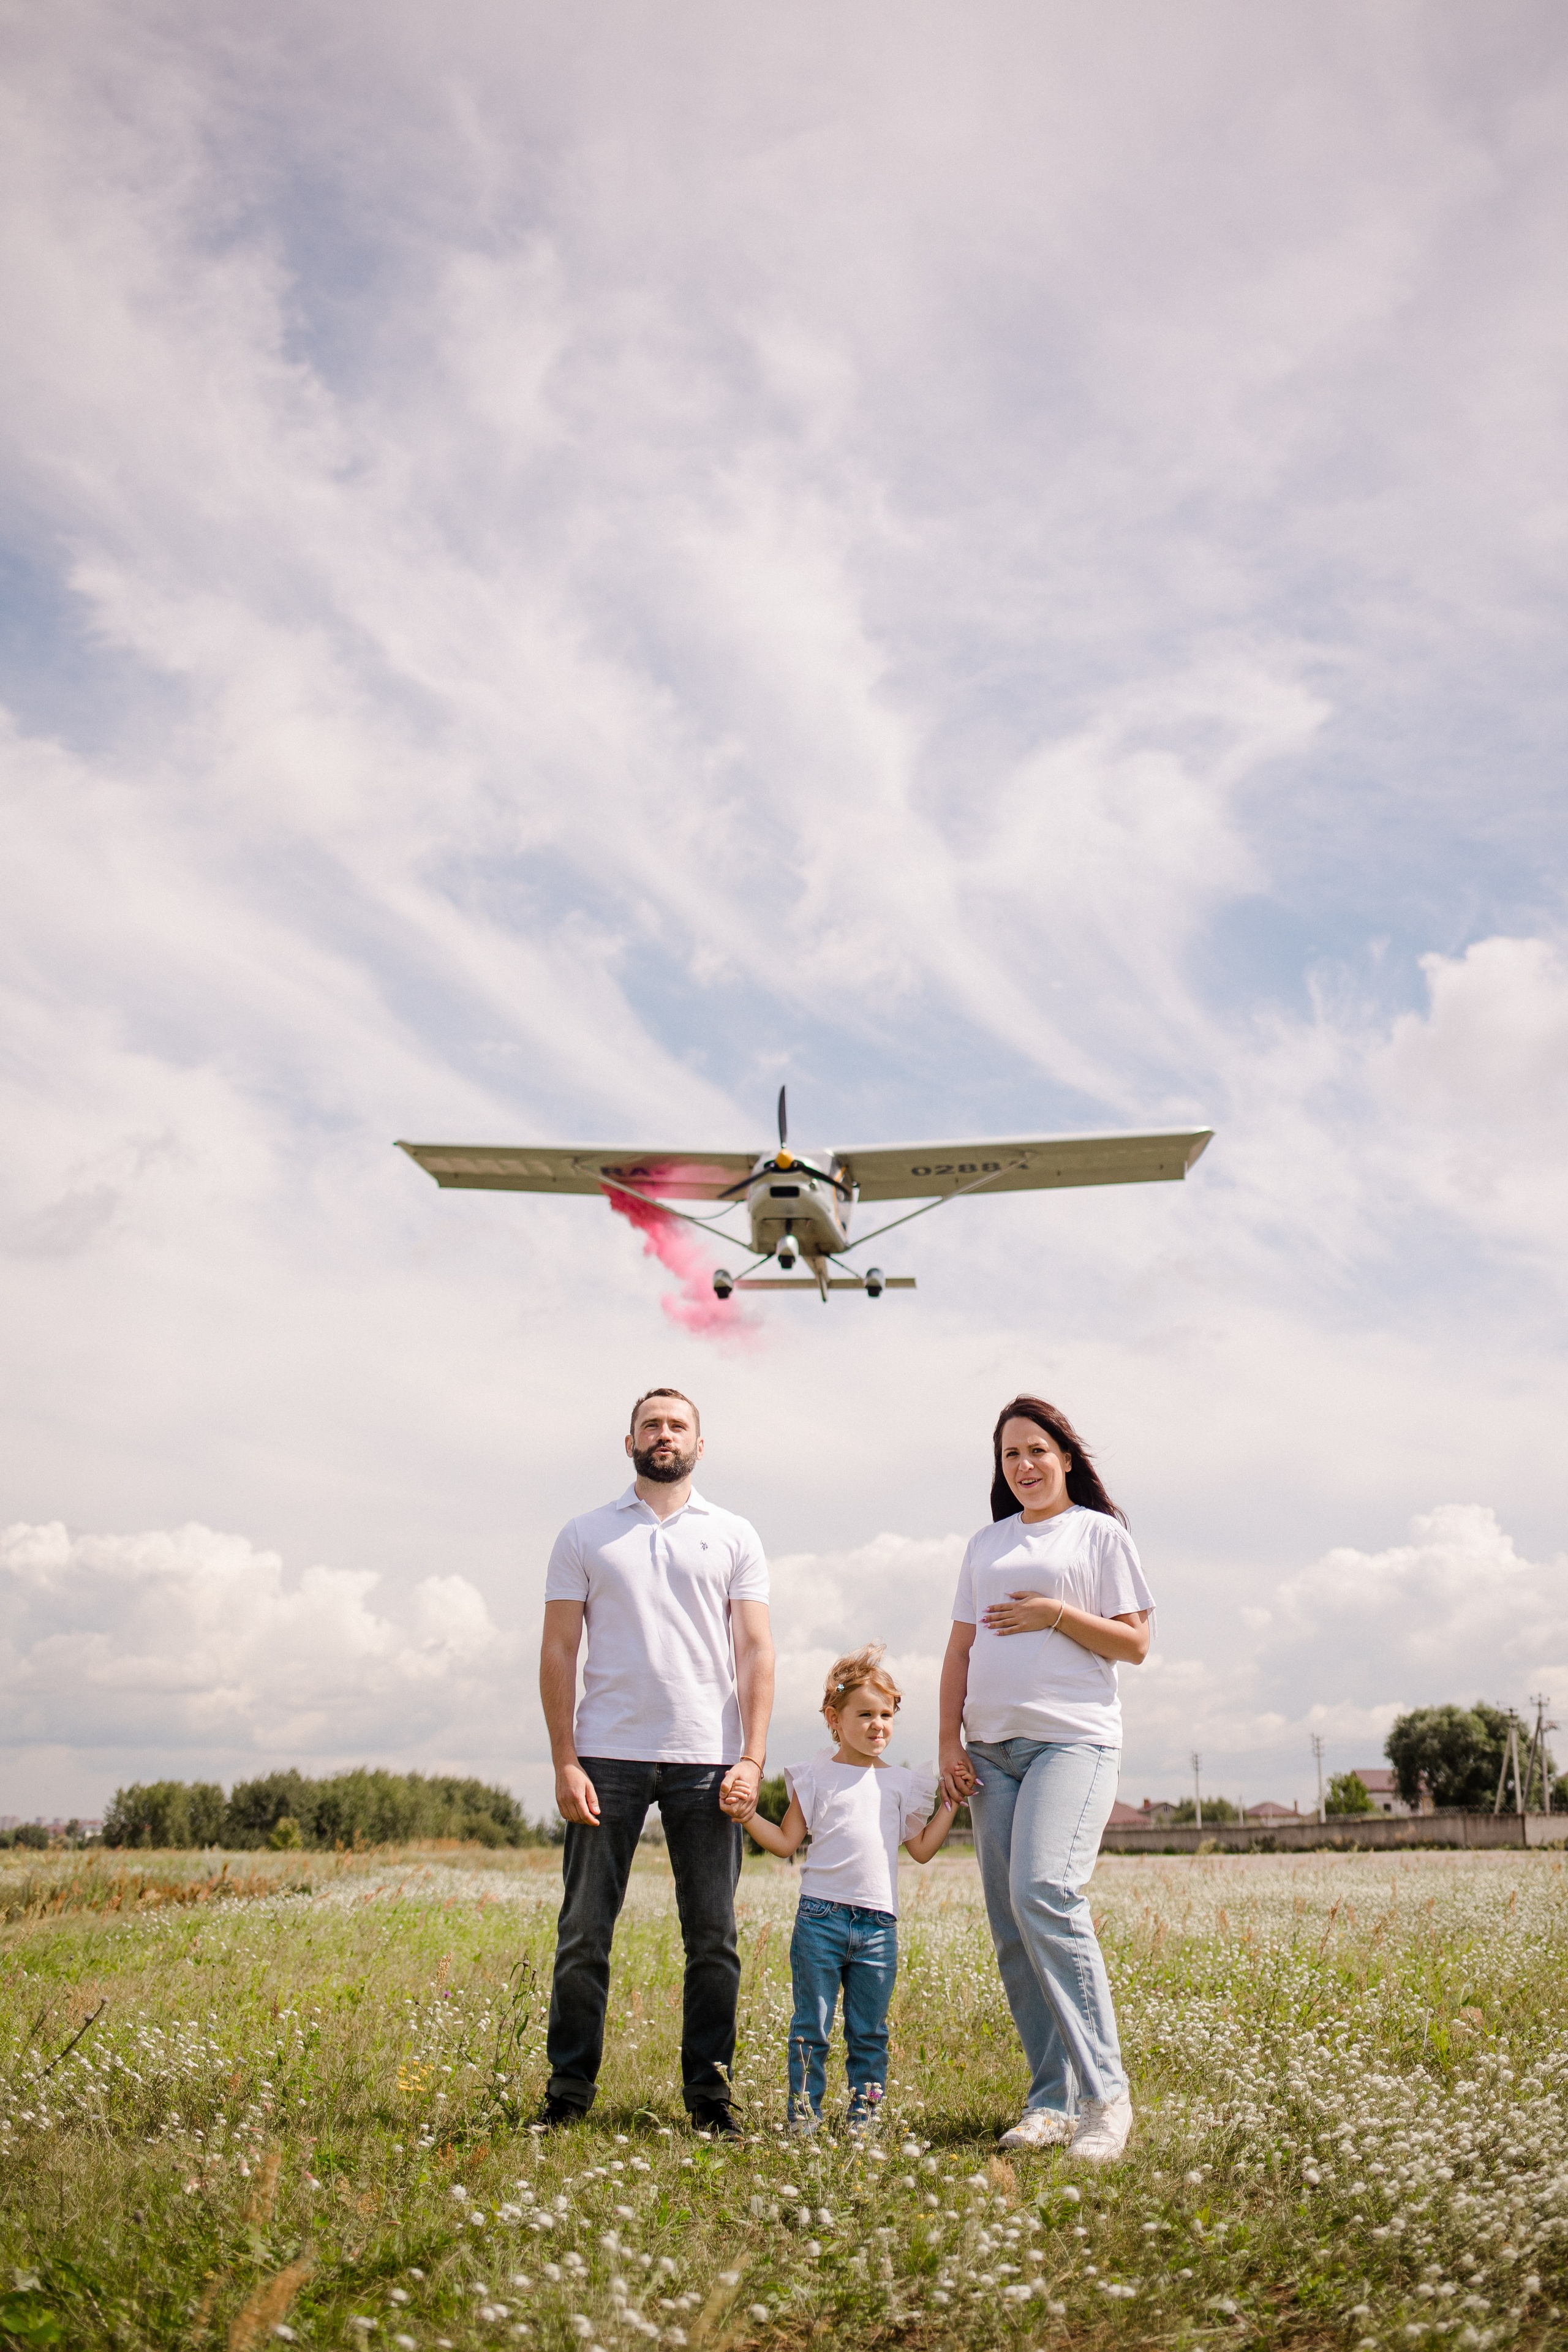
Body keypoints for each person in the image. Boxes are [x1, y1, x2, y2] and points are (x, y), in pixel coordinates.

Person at [538, 1387, 774, 2136]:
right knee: (584, 1933)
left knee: (713, 1939)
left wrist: (752, 1758)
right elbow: (558, 1649)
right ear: (630, 1442)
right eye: (651, 1425)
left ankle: (710, 2100)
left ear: (699, 1445)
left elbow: (756, 1649)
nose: (663, 1434)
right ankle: (567, 2094)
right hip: (604, 1755)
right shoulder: (585, 1533)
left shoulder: (734, 1534)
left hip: (708, 1759)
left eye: (677, 1426)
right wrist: (564, 1759)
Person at [938, 1395, 1153, 2163]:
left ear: (1065, 1456)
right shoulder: (985, 1544)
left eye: (1036, 1450)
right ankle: (1050, 2103)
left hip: (1071, 1743)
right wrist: (948, 1741)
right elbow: (959, 1651)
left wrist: (1055, 1614)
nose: (1023, 1465)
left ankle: (1105, 2100)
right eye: (1010, 1454)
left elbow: (1134, 1644)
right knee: (1011, 1927)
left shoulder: (1098, 1535)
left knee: (1045, 1894)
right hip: (989, 1754)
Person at [738, 1643, 959, 2136]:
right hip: (820, 1920)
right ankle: (804, 2118)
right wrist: (748, 1816)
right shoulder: (815, 1776)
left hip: (879, 1926)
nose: (878, 1725)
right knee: (810, 2028)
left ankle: (865, 2119)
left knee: (870, 2033)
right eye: (865, 1714)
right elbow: (785, 1842)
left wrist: (950, 1804)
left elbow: (922, 1849)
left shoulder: (903, 1784)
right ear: (834, 1719)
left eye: (887, 1714)